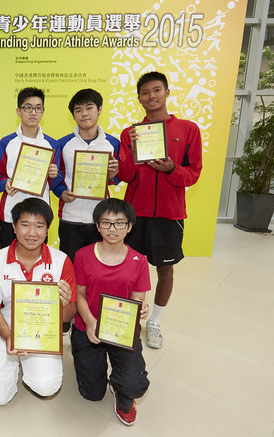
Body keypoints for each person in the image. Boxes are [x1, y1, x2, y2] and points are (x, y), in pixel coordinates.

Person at [117, 71, 202, 349]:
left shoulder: (188, 130)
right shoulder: (130, 133)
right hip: (135, 215)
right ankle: (129, 318)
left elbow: (193, 174)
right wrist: (128, 149)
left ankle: (154, 321)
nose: (151, 96)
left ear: (167, 92)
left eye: (156, 90)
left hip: (169, 214)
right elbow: (128, 176)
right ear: (139, 98)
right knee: (129, 270)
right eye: (145, 92)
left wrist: (172, 169)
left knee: (165, 271)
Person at [0, 198, 75, 406]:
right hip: (5, 327)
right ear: (13, 227)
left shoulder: (62, 261)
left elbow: (67, 317)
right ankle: (6, 360)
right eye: (25, 225)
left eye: (39, 226)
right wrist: (8, 336)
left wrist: (65, 304)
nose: (32, 233)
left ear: (48, 229)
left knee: (47, 386)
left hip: (42, 330)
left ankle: (26, 364)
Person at [72, 198, 150, 426]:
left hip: (121, 332)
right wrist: (89, 321)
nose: (112, 229)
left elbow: (138, 299)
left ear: (129, 226)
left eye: (119, 223)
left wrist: (141, 309)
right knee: (92, 394)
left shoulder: (139, 260)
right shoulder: (83, 255)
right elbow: (79, 295)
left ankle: (119, 384)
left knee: (134, 384)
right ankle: (91, 366)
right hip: (87, 328)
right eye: (106, 223)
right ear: (97, 225)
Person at [52, 89, 120, 334]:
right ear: (73, 115)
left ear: (99, 109)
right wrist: (61, 192)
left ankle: (94, 311)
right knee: (68, 268)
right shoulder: (63, 144)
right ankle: (67, 314)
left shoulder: (112, 143)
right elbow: (55, 177)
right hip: (70, 217)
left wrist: (113, 174)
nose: (84, 114)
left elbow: (118, 178)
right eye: (78, 110)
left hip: (100, 220)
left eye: (89, 108)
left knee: (99, 268)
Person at [0, 87, 60, 249]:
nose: (33, 112)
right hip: (11, 213)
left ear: (43, 112)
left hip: (39, 215)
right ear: (18, 111)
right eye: (28, 107)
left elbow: (57, 183)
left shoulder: (52, 144)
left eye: (38, 108)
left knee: (38, 262)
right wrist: (6, 183)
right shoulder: (7, 142)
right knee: (8, 259)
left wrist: (54, 175)